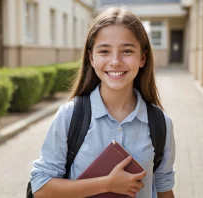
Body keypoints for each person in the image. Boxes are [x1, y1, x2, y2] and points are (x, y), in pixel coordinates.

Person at [30, 6, 175, 198]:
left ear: (142, 58)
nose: (115, 61)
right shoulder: (70, 116)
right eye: (104, 51)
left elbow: (164, 187)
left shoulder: (160, 123)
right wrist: (106, 184)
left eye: (127, 51)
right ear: (91, 58)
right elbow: (40, 188)